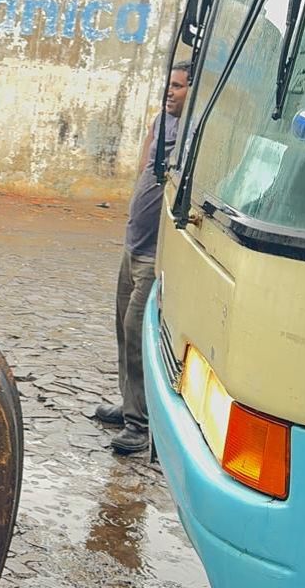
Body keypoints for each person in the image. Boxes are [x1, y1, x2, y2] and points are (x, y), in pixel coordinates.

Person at [96, 61, 192, 455]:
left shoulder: (195, 135)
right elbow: (144, 164)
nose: (170, 92)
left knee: (138, 333)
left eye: (179, 87)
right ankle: (129, 404)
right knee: (122, 326)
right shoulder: (162, 121)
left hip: (156, 253)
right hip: (134, 243)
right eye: (168, 85)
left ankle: (140, 425)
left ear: (195, 91)